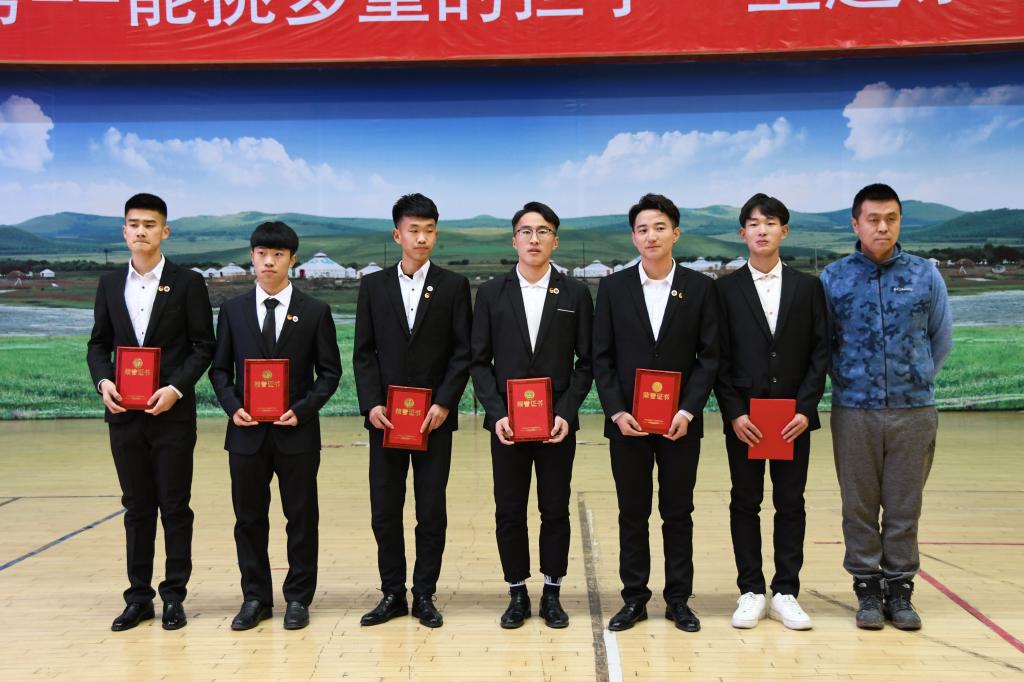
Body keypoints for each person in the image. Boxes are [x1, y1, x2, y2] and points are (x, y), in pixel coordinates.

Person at [821, 183, 952, 631]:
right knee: (858, 505)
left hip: (914, 411)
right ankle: (866, 588)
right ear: (855, 224)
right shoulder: (834, 279)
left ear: (900, 222)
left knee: (904, 505)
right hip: (854, 410)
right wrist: (852, 380)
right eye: (873, 219)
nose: (882, 227)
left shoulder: (924, 275)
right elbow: (824, 342)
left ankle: (900, 589)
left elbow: (940, 338)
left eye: (891, 219)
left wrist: (916, 378)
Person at [86, 192, 215, 632]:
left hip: (171, 414)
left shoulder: (188, 282)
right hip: (124, 415)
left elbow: (203, 346)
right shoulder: (109, 283)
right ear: (124, 231)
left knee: (175, 506)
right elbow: (98, 344)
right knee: (137, 507)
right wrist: (104, 382)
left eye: (150, 224)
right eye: (134, 224)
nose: (141, 231)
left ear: (165, 231)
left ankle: (174, 596)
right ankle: (138, 597)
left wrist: (176, 388)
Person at [592, 193, 718, 633]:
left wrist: (688, 410)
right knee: (632, 513)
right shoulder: (613, 288)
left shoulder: (700, 288)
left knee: (678, 512)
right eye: (643, 229)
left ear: (675, 233)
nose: (651, 236)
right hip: (628, 424)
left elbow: (710, 357)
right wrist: (616, 411)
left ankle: (679, 600)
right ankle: (634, 598)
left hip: (680, 425)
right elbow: (601, 357)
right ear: (633, 237)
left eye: (660, 227)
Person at [209, 221, 341, 631]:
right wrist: (233, 406)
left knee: (301, 518)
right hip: (245, 433)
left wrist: (303, 409)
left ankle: (298, 597)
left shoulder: (315, 311)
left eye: (278, 255)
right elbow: (219, 370)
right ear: (252, 257)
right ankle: (255, 598)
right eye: (262, 253)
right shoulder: (232, 311)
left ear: (292, 259)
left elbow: (329, 373)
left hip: (296, 433)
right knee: (248, 520)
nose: (269, 261)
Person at [470, 201, 593, 629]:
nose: (534, 239)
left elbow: (587, 362)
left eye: (543, 232)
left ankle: (553, 592)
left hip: (556, 425)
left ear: (555, 240)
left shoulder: (575, 293)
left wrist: (567, 412)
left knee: (554, 509)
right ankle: (517, 592)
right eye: (526, 231)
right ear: (514, 240)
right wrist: (496, 414)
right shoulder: (491, 293)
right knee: (509, 510)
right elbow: (478, 362)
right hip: (508, 426)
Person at [353, 193, 472, 628]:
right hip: (385, 420)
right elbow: (363, 353)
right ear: (397, 234)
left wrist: (444, 402)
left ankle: (424, 593)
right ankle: (391, 593)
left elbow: (463, 352)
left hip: (432, 420)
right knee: (385, 510)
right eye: (413, 230)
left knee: (430, 510)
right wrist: (371, 404)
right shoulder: (373, 286)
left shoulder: (454, 286)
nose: (421, 238)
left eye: (429, 230)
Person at [713, 193, 828, 631]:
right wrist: (734, 413)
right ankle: (750, 590)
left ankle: (785, 592)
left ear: (785, 230)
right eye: (754, 223)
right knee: (745, 501)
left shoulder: (808, 287)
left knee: (790, 502)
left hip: (793, 418)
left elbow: (821, 351)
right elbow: (717, 356)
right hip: (745, 419)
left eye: (771, 222)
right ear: (743, 233)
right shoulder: (724, 289)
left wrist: (806, 408)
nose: (762, 230)